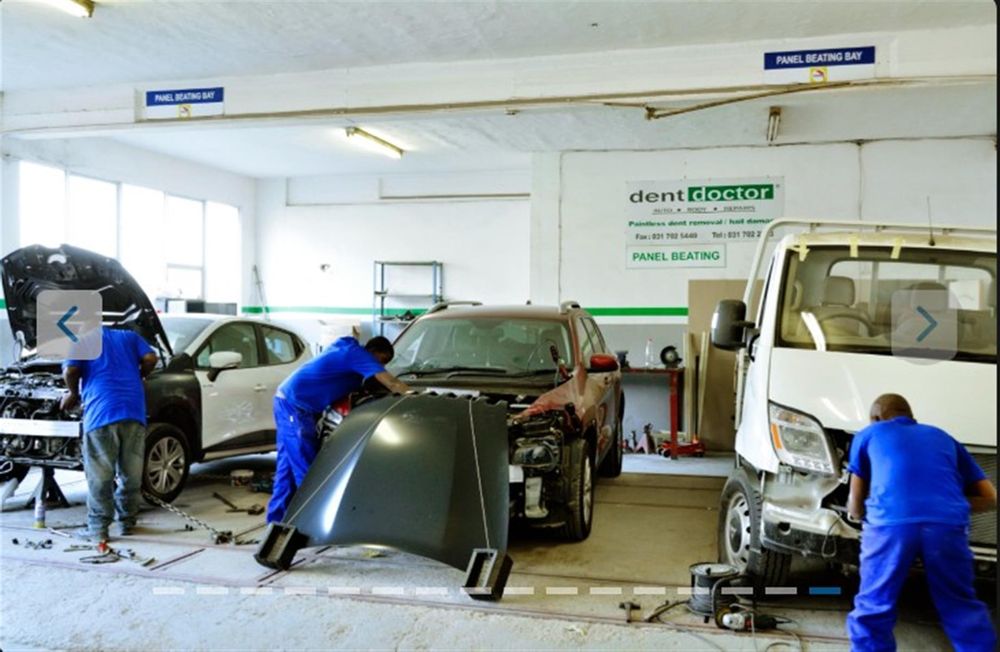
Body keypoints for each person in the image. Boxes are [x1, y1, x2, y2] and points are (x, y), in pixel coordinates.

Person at [846, 393, 997, 652]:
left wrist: (859, 515)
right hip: (946, 525)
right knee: (960, 604)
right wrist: (949, 504)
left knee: (874, 606)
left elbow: (855, 504)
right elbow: (991, 498)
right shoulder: (944, 437)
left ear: (877, 417)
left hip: (891, 524)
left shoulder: (869, 434)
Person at [267, 335, 410, 523]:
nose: (381, 366)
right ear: (372, 352)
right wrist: (417, 397)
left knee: (286, 469)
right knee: (306, 468)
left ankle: (275, 522)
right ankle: (310, 523)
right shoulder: (356, 354)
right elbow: (392, 383)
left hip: (287, 401)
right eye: (381, 361)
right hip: (295, 406)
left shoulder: (350, 359)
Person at [61, 327, 158, 542]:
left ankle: (98, 529)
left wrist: (73, 393)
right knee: (131, 473)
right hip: (133, 410)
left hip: (101, 412)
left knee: (100, 475)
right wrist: (139, 375)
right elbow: (151, 358)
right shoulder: (129, 336)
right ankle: (127, 521)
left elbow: (71, 371)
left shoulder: (82, 339)